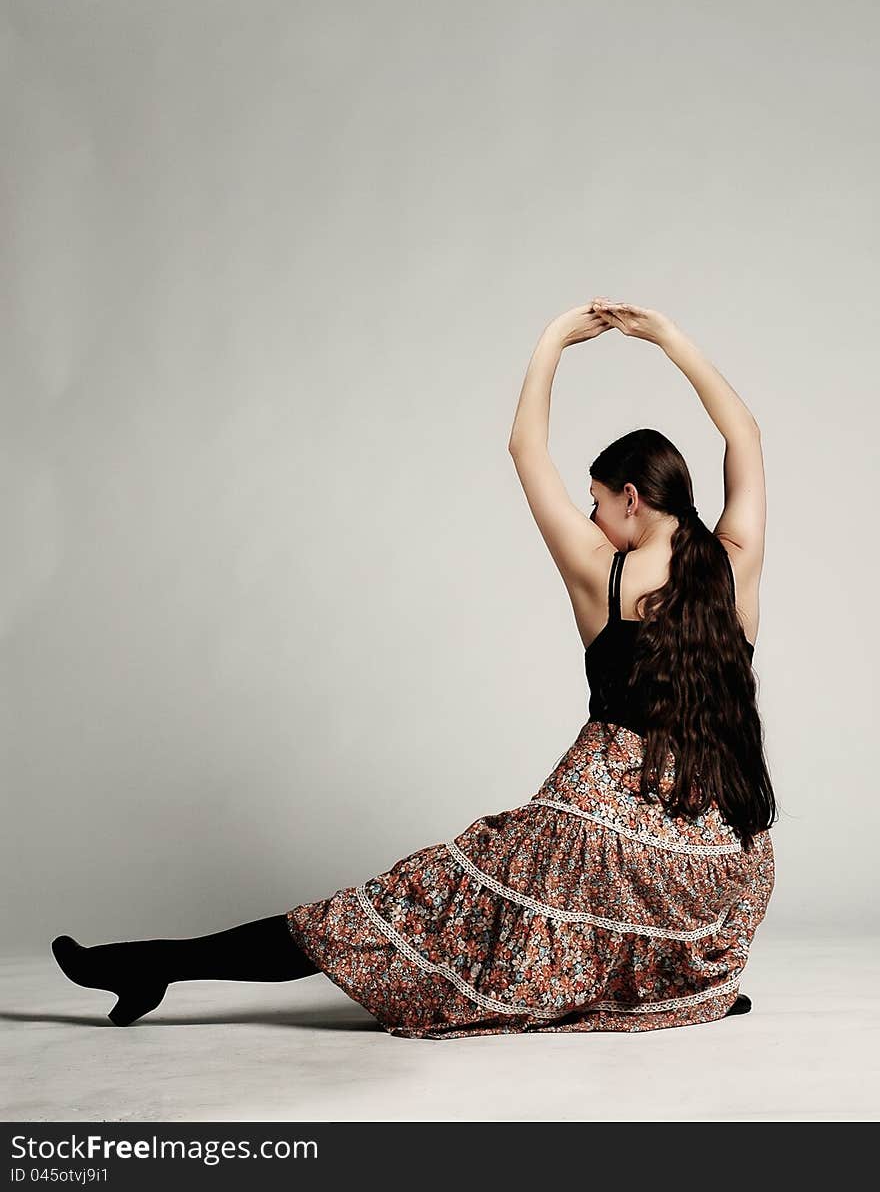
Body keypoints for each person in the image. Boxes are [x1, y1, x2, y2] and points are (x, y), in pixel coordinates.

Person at [52, 299, 776, 1036]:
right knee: (583, 890)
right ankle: (677, 984)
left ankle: (153, 964)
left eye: (595, 502)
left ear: (629, 497)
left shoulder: (605, 576)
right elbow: (743, 431)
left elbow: (525, 449)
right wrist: (667, 338)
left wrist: (555, 337)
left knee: (406, 905)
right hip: (716, 875)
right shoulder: (735, 563)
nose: (591, 520)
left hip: (600, 842)